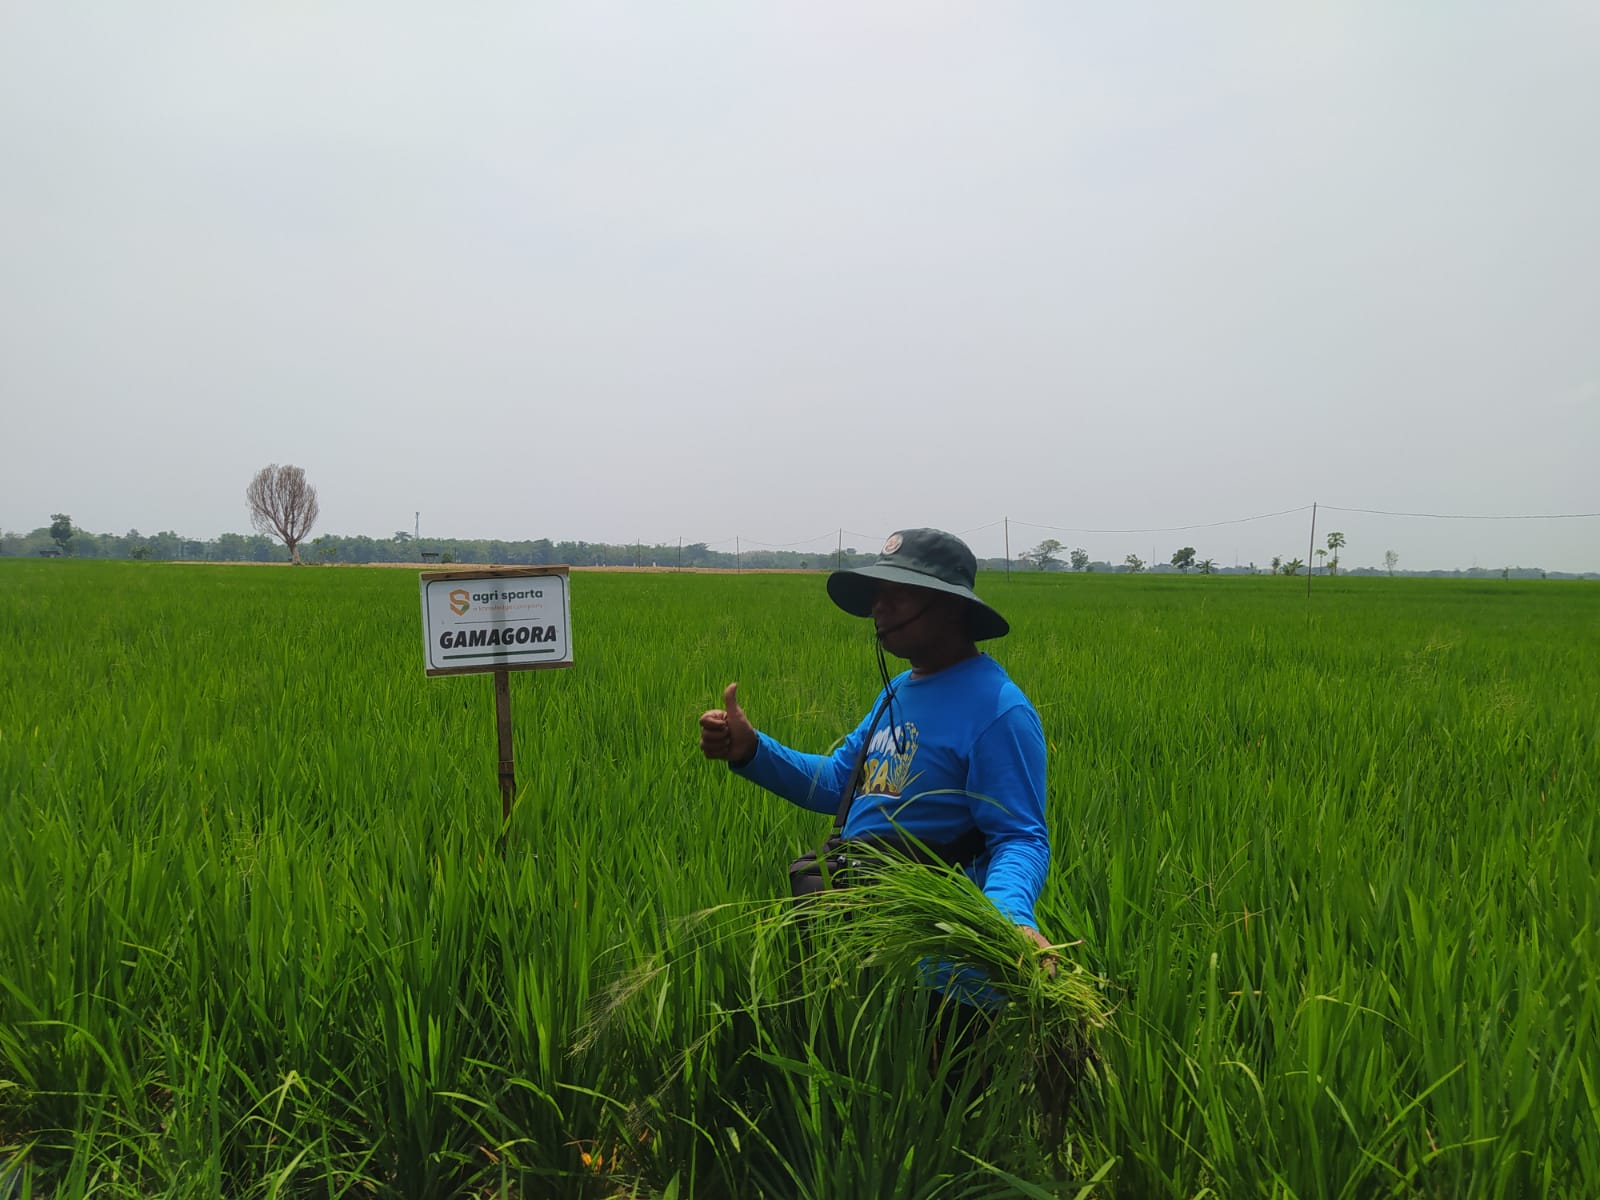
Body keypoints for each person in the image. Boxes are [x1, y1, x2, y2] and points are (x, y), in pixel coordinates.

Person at [698, 527, 1051, 964]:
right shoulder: (899, 690)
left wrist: (1009, 918)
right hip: (863, 946)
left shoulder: (997, 710)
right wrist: (752, 751)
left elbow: (1020, 837)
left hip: (943, 966)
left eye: (899, 593)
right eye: (876, 593)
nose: (878, 607)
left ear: (950, 607)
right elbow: (838, 784)